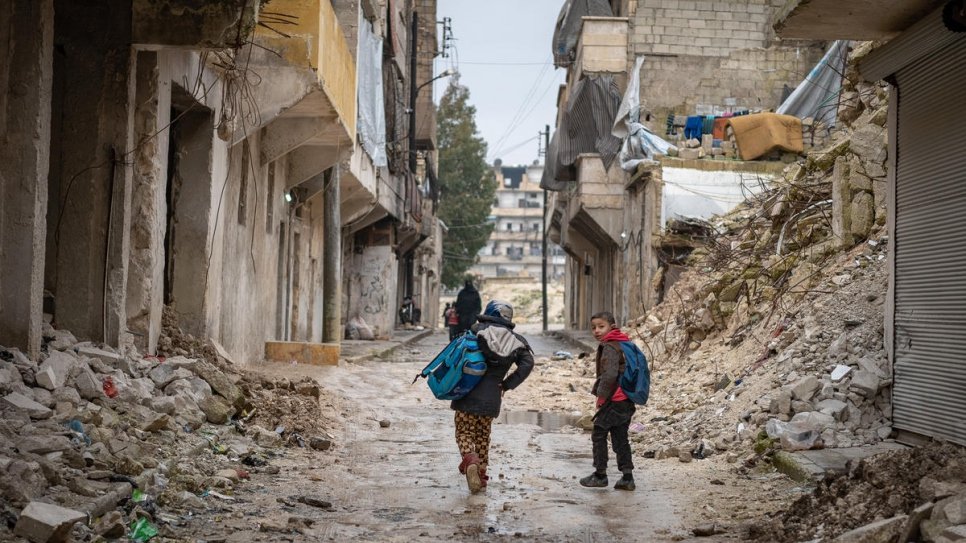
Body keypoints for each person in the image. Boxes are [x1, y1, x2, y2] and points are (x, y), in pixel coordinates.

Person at [451, 300, 533, 493]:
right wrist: (507, 384)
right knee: (482, 436)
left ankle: (470, 459)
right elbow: (528, 364)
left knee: (464, 432)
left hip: (467, 395)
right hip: (492, 399)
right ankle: (481, 474)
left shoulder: (476, 330)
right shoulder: (517, 341)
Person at [580, 311, 636, 491]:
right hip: (627, 399)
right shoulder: (624, 342)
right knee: (620, 437)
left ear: (612, 326)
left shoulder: (611, 347)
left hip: (614, 399)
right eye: (593, 327)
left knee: (599, 433)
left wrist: (602, 397)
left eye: (601, 326)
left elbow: (610, 375)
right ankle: (627, 477)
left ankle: (600, 475)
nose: (596, 331)